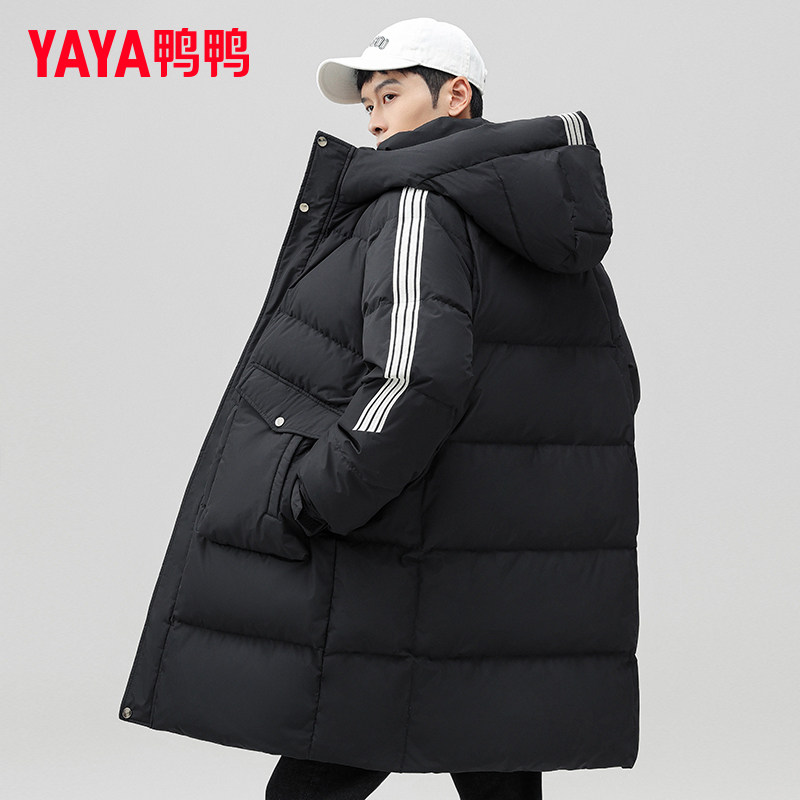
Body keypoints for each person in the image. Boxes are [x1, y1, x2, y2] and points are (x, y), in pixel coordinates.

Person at [119, 17, 640, 800]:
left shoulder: (419, 202)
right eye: (368, 105)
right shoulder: (547, 222)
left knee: (322, 773)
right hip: (503, 576)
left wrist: (319, 493)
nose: (374, 121)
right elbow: (616, 383)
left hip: (411, 563)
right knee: (496, 767)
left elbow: (412, 380)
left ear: (456, 95)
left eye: (390, 95)